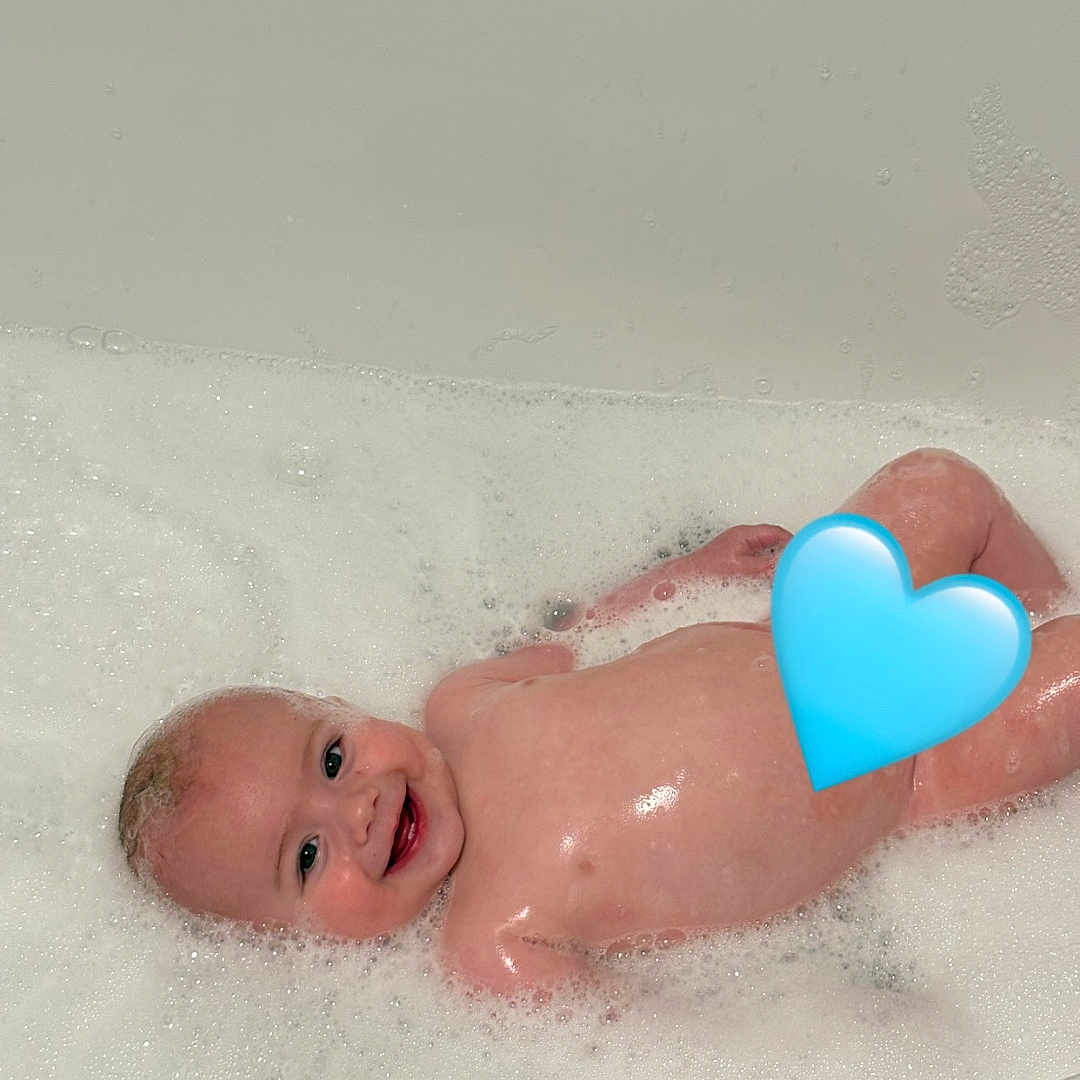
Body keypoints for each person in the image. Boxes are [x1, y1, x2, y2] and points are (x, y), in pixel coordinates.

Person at [118, 448, 1078, 995]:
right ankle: (1034, 651)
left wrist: (693, 572)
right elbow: (639, 1036)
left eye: (331, 757)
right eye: (306, 858)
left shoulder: (463, 702)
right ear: (291, 943)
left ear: (348, 708)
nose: (358, 812)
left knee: (942, 481)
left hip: (814, 620)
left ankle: (1036, 609)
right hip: (913, 774)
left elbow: (588, 634)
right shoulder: (488, 943)